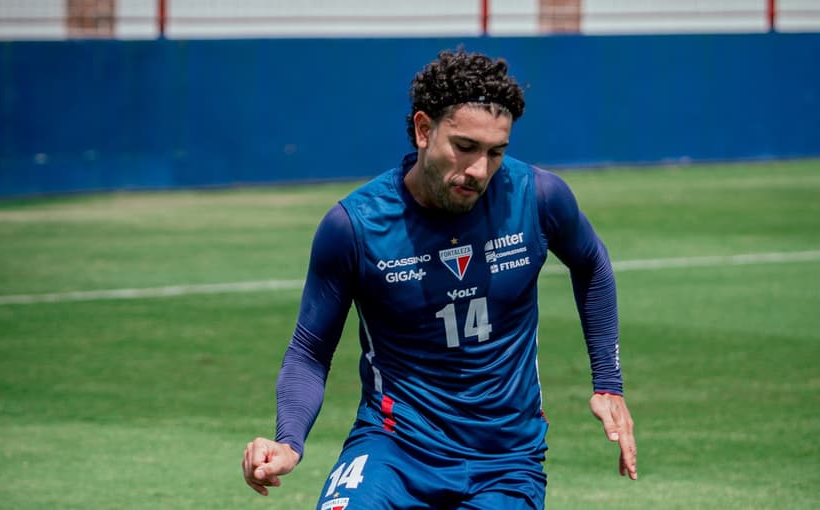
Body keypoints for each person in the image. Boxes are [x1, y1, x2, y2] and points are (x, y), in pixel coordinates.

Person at [242, 49, 637, 509]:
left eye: (496, 152)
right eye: (465, 147)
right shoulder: (355, 226)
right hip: (394, 449)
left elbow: (591, 263)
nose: (480, 170)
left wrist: (607, 383)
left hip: (506, 461)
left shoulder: (539, 198)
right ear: (423, 129)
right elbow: (310, 350)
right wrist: (289, 441)